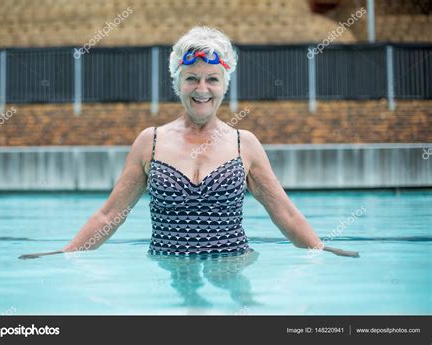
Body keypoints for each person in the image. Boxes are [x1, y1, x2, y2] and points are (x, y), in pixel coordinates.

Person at [19, 26, 359, 260]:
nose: (202, 89)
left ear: (225, 84)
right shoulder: (149, 143)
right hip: (169, 268)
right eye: (191, 78)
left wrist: (321, 252)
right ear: (176, 81)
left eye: (212, 79)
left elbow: (284, 212)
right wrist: (66, 254)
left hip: (233, 266)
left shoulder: (245, 144)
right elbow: (110, 215)